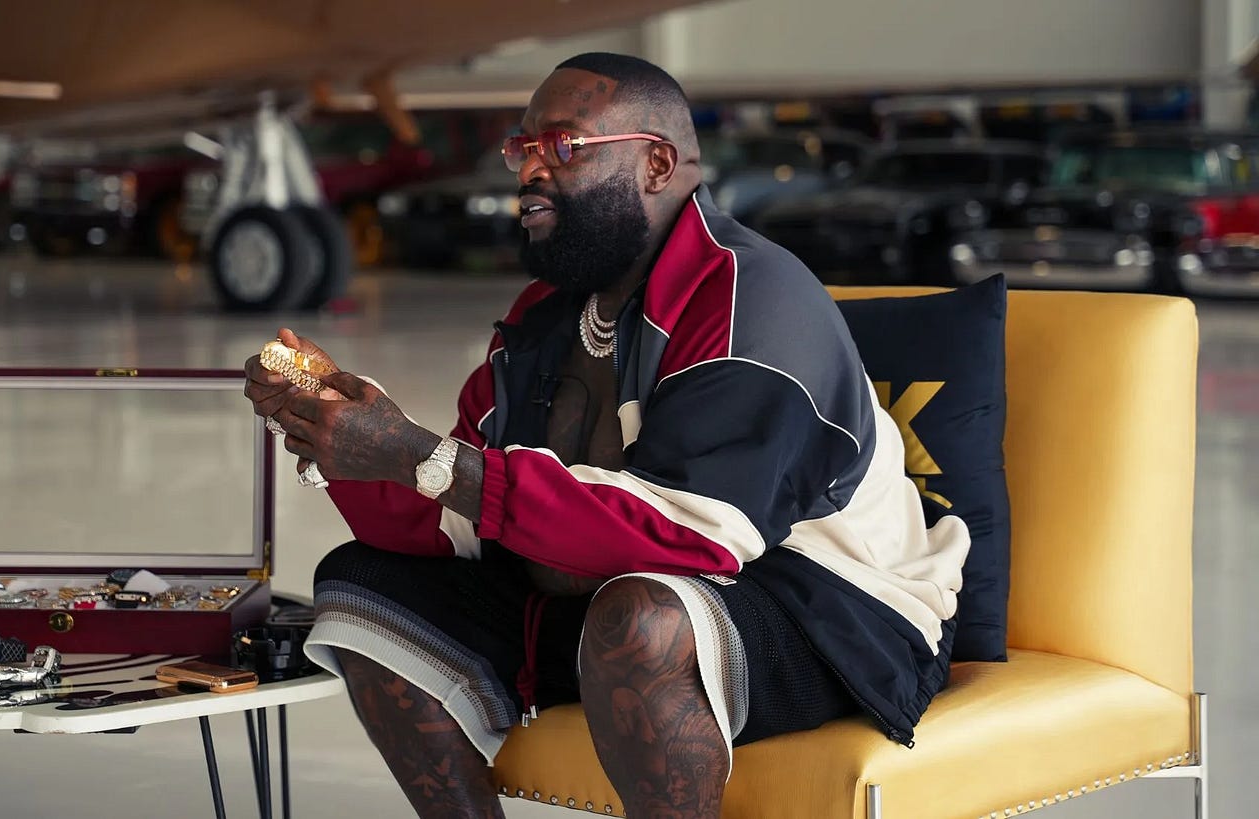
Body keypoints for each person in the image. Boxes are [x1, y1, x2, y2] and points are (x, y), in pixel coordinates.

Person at [244, 52, 970, 819]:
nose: (530, 170)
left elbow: (694, 534)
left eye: (562, 145)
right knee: (361, 587)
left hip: (825, 614)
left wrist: (417, 454)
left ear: (656, 163)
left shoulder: (753, 298)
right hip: (597, 596)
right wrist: (342, 434)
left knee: (641, 618)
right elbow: (456, 520)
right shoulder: (539, 318)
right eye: (522, 148)